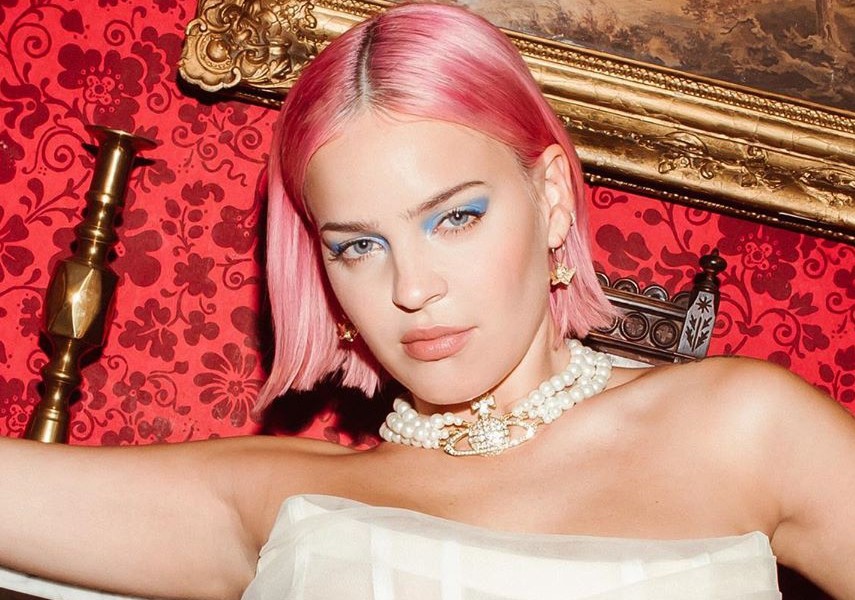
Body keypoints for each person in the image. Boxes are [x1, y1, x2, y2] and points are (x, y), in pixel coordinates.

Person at [1, 3, 854, 599]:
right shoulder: (275, 499)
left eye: (456, 218)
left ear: (552, 198)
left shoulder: (744, 429)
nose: (411, 289)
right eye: (358, 246)